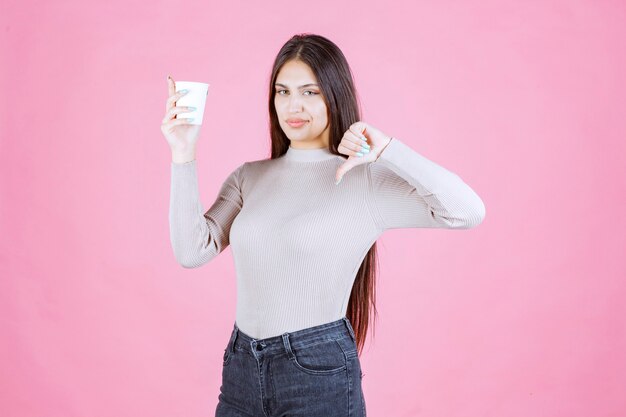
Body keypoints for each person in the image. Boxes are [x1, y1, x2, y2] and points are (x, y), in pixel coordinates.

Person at [161, 33, 485, 417]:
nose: (293, 106)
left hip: (316, 371)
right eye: (282, 92)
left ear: (334, 94)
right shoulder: (248, 177)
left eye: (310, 92)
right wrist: (183, 151)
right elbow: (191, 250)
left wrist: (388, 149)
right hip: (242, 367)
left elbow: (466, 211)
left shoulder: (363, 181)